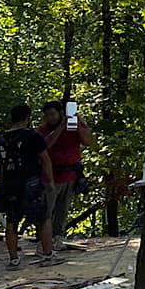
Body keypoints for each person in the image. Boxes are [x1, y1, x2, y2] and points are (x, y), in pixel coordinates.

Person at [0, 103, 54, 268]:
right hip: (31, 183)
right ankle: (48, 255)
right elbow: (45, 159)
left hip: (9, 185)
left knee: (12, 221)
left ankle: (13, 259)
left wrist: (0, 184)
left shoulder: (0, 140)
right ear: (28, 117)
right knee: (43, 218)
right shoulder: (32, 136)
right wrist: (50, 181)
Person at [37, 99, 93, 241]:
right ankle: (44, 239)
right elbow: (45, 145)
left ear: (61, 113)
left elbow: (88, 141)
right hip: (51, 176)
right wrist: (60, 127)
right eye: (47, 115)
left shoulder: (75, 125)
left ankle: (58, 236)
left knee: (63, 210)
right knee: (47, 210)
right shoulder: (43, 130)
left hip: (71, 175)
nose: (50, 118)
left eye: (53, 114)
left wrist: (78, 124)